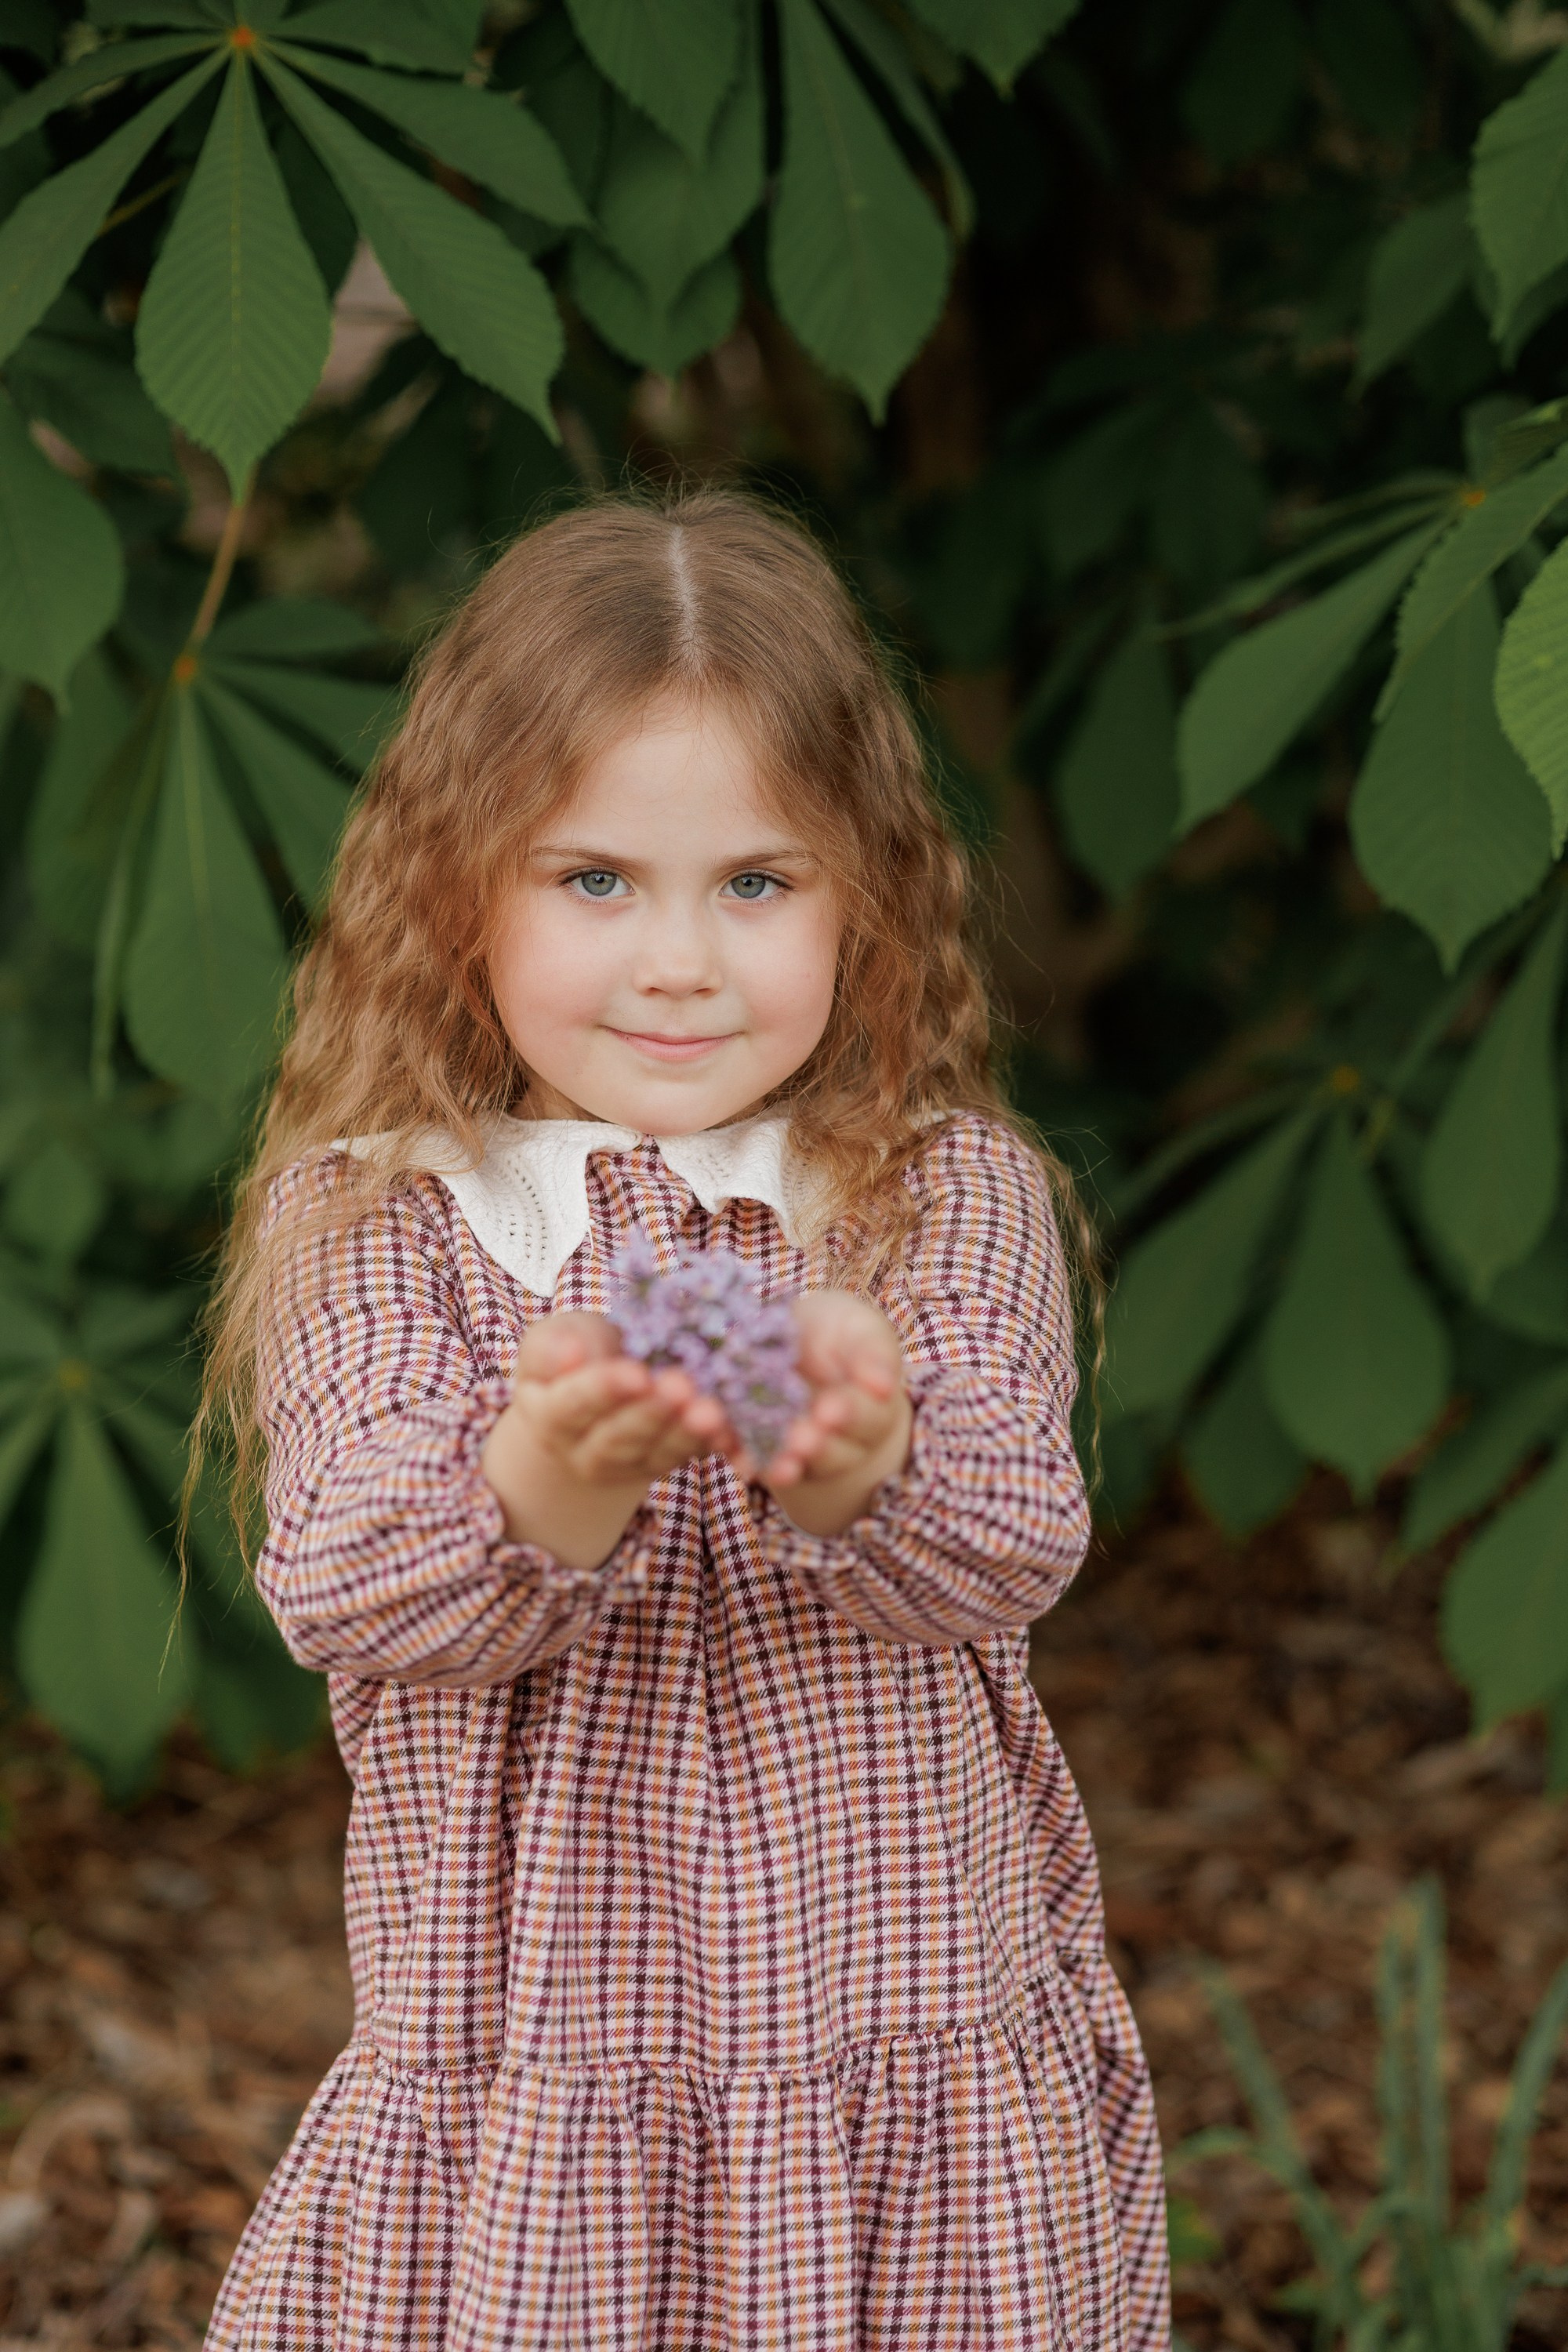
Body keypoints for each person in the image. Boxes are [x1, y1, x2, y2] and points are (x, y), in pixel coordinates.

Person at [198, 488, 1171, 2351]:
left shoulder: (931, 1193)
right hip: (542, 2084)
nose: (678, 962)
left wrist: (859, 1460)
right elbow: (347, 1575)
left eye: (756, 881)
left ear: (864, 891)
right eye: (592, 881)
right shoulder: (380, 1210)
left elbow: (1011, 1534)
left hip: (909, 2073)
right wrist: (550, 1477)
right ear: (453, 887)